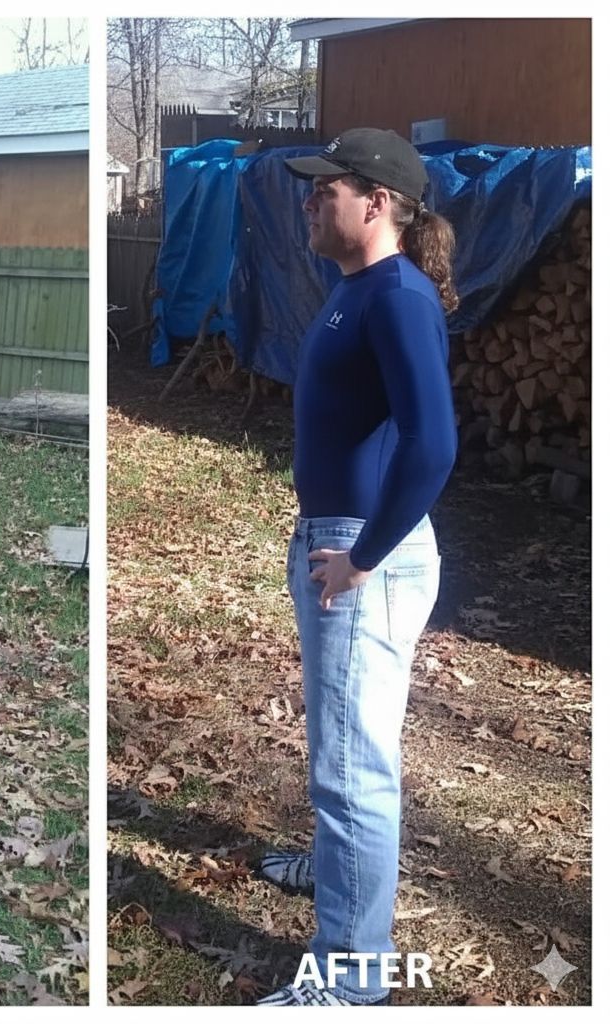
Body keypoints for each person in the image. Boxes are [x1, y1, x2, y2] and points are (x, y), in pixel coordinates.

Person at [256, 129, 459, 1005]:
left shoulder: (398, 298)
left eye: (323, 188)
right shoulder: (355, 290)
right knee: (338, 743)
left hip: (365, 555)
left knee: (353, 764)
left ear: (376, 203)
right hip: (336, 543)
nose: (308, 200)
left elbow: (434, 446)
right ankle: (338, 876)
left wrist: (362, 557)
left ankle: (352, 974)